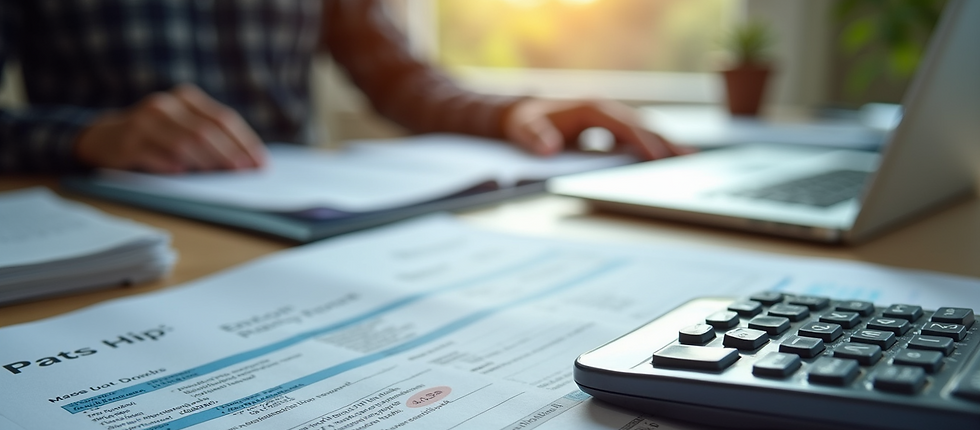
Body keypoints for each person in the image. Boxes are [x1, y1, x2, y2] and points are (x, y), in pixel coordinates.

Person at [0, 0, 686, 174]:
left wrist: (517, 111)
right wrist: (90, 135)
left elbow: (397, 78)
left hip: (301, 222)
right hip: (115, 228)